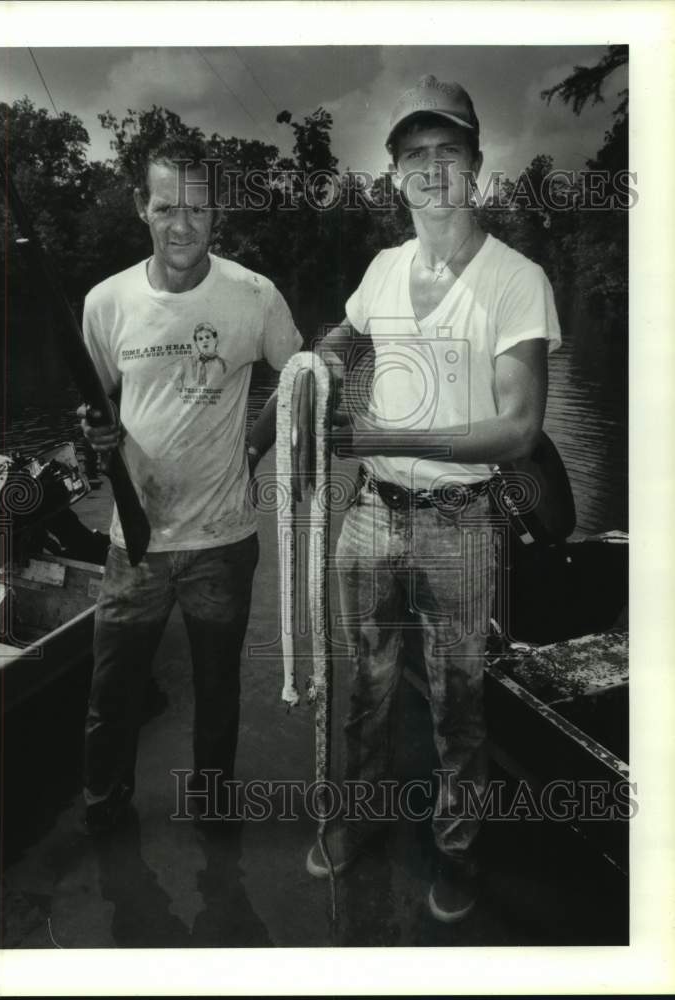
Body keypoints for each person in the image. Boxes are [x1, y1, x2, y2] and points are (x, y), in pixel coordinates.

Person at [305, 75, 561, 922]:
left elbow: (519, 430)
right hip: (370, 514)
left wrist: (381, 439)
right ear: (396, 176)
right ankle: (359, 819)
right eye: (414, 154)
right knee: (364, 691)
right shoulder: (383, 268)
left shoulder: (516, 280)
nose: (430, 167)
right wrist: (327, 357)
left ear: (477, 166)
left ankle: (457, 853)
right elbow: (351, 328)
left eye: (447, 150)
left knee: (458, 703)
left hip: (460, 522)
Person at [79, 136, 302, 834]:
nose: (183, 225)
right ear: (140, 207)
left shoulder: (253, 296)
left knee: (217, 689)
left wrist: (255, 445)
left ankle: (212, 808)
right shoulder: (105, 302)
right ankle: (104, 808)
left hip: (224, 541)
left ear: (219, 215)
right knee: (111, 694)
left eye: (199, 210)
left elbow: (302, 383)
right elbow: (92, 410)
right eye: (167, 206)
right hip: (134, 540)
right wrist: (93, 436)